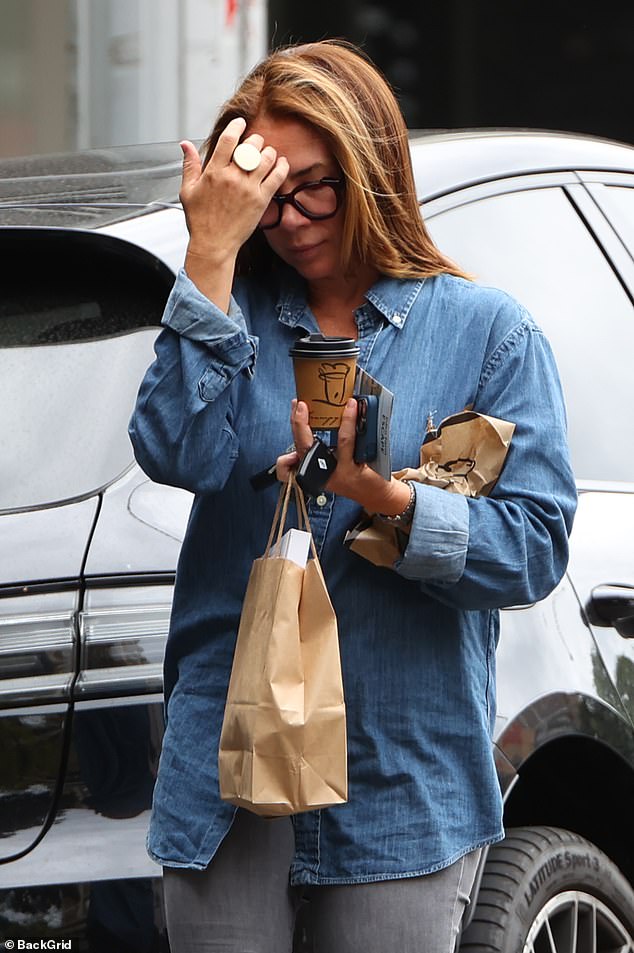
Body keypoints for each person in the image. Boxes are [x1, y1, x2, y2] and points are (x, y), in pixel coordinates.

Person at [128, 39, 577, 953]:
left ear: (371, 166)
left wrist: (386, 500)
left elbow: (532, 546)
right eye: (265, 198)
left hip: (401, 783)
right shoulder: (232, 316)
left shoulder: (486, 333)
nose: (289, 220)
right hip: (231, 775)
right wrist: (208, 255)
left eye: (314, 187)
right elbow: (174, 451)